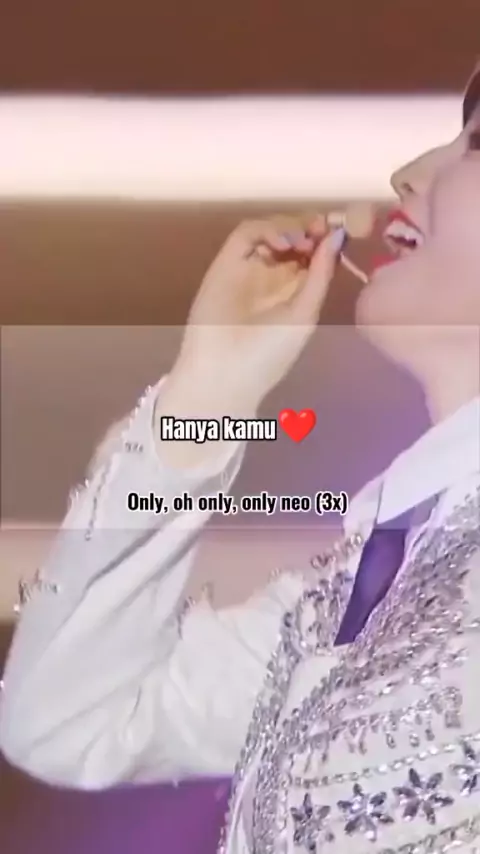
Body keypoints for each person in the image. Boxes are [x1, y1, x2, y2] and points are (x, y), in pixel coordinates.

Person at [1, 64, 480, 854]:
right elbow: (73, 716)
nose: (408, 174)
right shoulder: (357, 583)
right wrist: (206, 394)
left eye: (477, 145)